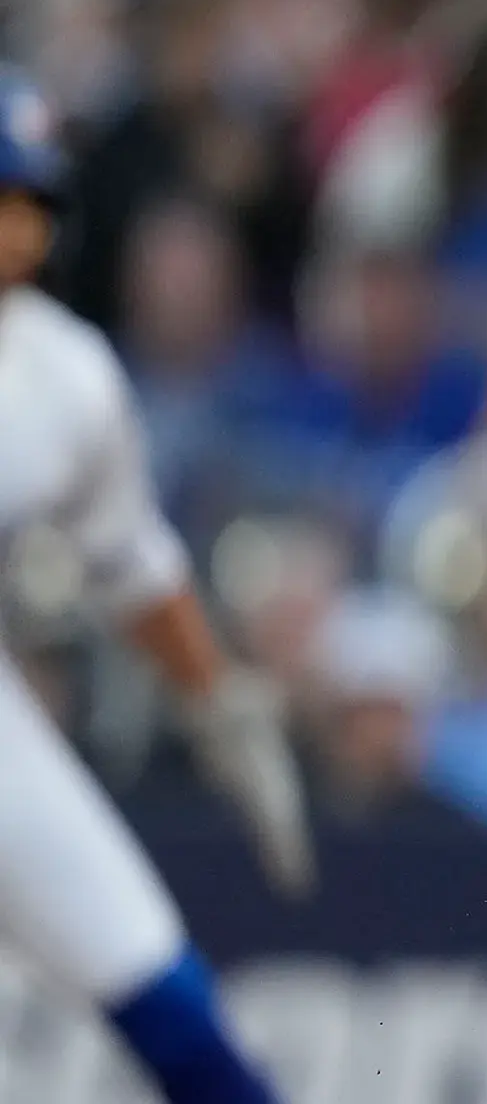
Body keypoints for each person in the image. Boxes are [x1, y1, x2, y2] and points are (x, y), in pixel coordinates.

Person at [0, 71, 311, 1104]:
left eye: (27, 203)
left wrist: (218, 705)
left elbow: (131, 563)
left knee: (164, 994)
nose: (14, 228)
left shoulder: (61, 371)